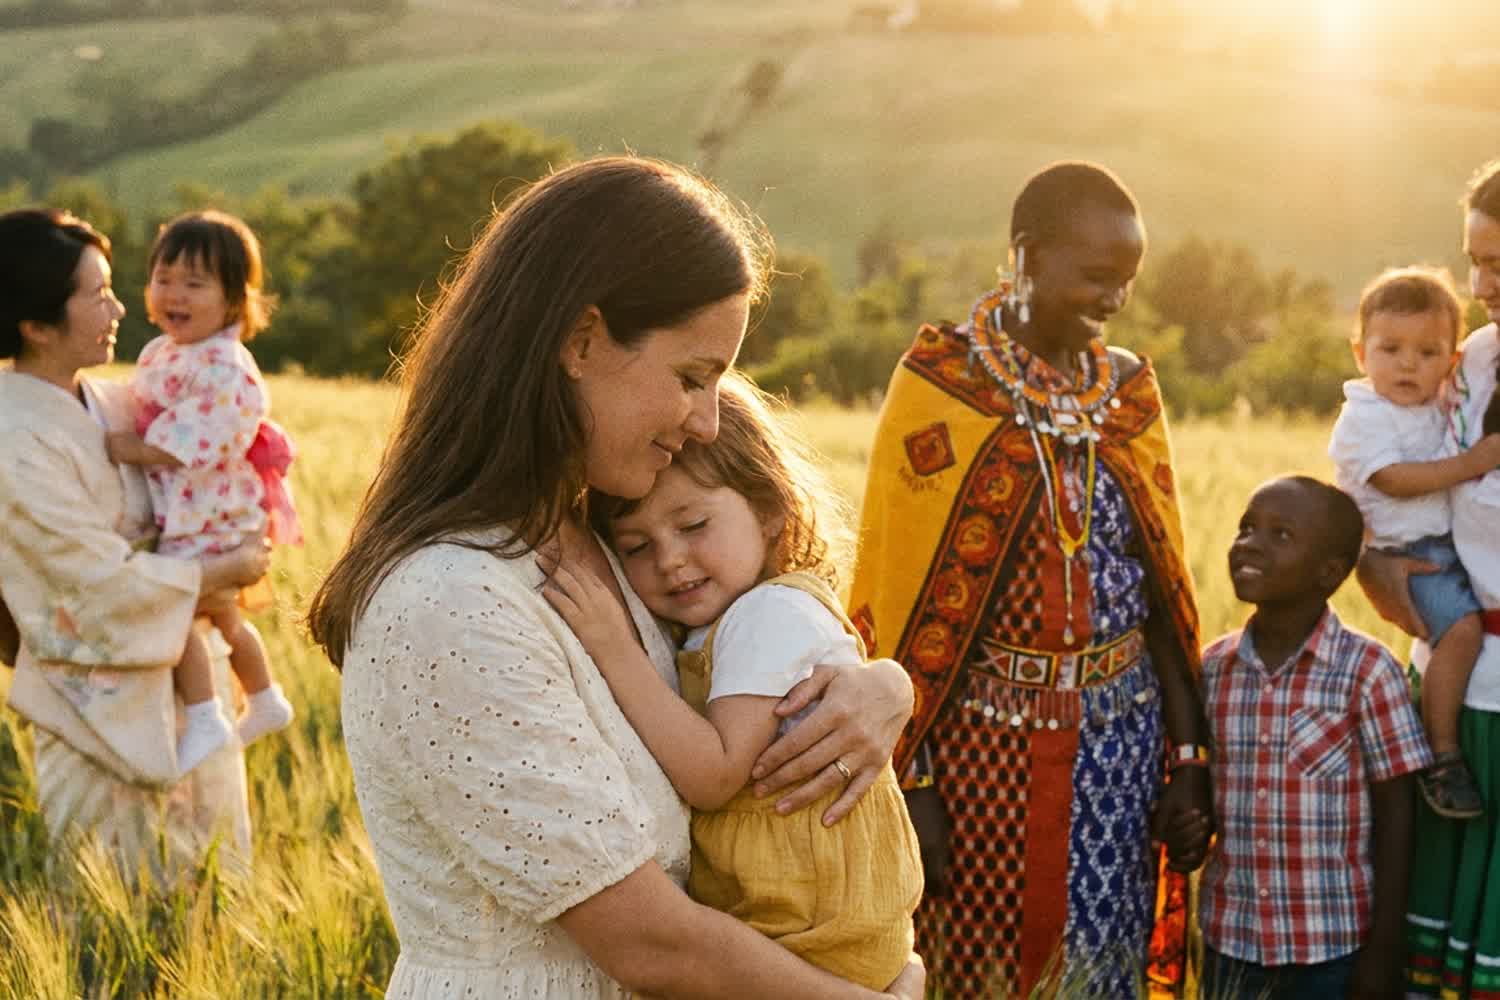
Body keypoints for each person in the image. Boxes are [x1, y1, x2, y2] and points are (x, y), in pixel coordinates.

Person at [306, 156, 923, 1000]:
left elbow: (741, 675)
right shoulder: (447, 599)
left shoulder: (605, 539)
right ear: (581, 340)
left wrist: (880, 686)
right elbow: (645, 941)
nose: (708, 419)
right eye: (691, 377)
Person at [847, 161, 1212, 998]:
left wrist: (1188, 761)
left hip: (1122, 749)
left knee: (1099, 970)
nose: (1115, 300)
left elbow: (1165, 596)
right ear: (1028, 255)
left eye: (1126, 281)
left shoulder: (1126, 391)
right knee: (976, 970)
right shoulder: (944, 385)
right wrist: (915, 782)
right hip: (978, 750)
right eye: (1097, 276)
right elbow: (901, 604)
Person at [544, 374, 923, 990]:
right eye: (637, 546)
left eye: (693, 526)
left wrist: (615, 650)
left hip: (811, 933)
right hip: (808, 928)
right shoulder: (721, 621)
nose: (670, 559)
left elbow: (714, 776)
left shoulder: (765, 616)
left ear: (770, 513)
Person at [0, 208, 267, 876]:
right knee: (107, 931)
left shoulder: (117, 404)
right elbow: (91, 586)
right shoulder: (13, 441)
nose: (121, 307)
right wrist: (223, 567)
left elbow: (206, 472)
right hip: (98, 722)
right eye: (97, 294)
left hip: (191, 690)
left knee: (216, 906)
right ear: (35, 325)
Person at [1197, 476, 1429, 998]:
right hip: (1230, 943)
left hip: (1330, 950)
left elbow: (1397, 814)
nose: (1250, 543)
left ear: (1329, 572)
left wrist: (1384, 951)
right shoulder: (1213, 668)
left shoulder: (1367, 673)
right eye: (1246, 528)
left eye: (1280, 535)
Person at [1361, 159, 1500, 997]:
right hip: (1453, 684)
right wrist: (1372, 560)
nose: (1484, 284)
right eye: (1477, 260)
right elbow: (1390, 463)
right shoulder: (1470, 356)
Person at [106, 210, 298, 776]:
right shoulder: (168, 352)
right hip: (197, 510)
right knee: (224, 617)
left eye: (195, 283)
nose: (174, 294)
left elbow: (196, 440)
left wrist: (130, 449)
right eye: (164, 279)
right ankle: (264, 699)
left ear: (235, 299)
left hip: (215, 515)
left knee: (180, 609)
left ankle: (206, 712)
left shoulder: (225, 367)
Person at [1329, 266, 1500, 820]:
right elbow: (1391, 479)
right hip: (1416, 555)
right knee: (1461, 632)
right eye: (1390, 349)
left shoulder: (1441, 400)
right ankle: (1442, 754)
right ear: (1360, 353)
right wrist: (1470, 464)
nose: (1407, 364)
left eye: (1427, 353)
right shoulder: (1365, 416)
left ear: (1450, 364)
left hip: (1441, 549)